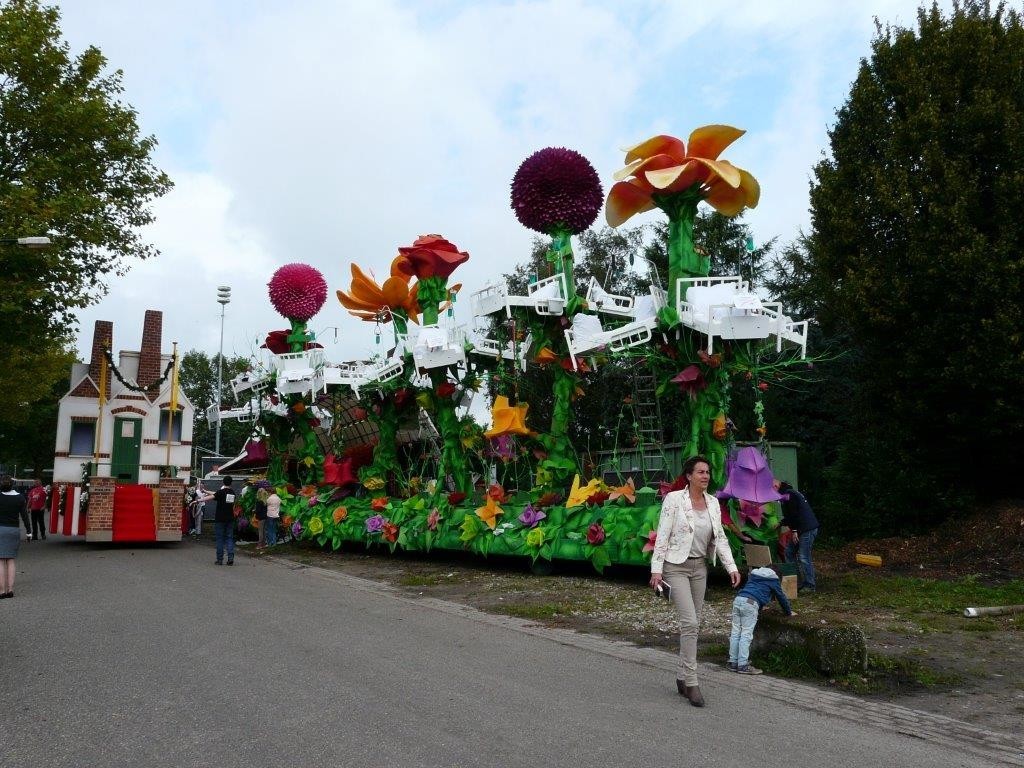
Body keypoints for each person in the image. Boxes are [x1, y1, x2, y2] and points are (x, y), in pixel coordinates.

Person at [649, 455, 741, 707]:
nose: (705, 476)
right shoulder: (674, 499)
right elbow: (663, 535)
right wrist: (656, 571)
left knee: (694, 624)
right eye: (700, 472)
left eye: (707, 472)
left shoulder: (713, 503)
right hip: (675, 567)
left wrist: (731, 567)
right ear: (689, 476)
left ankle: (681, 676)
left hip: (700, 568)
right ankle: (691, 682)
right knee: (689, 622)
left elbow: (720, 537)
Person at [728, 566, 795, 675]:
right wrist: (788, 612)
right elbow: (781, 597)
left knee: (735, 633)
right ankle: (743, 665)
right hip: (750, 603)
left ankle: (733, 662)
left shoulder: (754, 574)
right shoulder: (773, 579)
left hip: (738, 599)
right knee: (746, 634)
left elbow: (754, 590)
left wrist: (759, 605)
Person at [775, 480, 820, 593]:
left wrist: (794, 531)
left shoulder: (789, 494)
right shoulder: (787, 494)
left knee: (804, 556)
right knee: (789, 552)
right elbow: (790, 515)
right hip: (802, 529)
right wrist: (780, 523)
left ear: (776, 486)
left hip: (806, 529)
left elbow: (794, 513)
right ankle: (794, 583)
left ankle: (810, 585)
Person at [0, 476, 26, 598]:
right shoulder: (20, 497)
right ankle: (10, 590)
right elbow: (24, 516)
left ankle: (1, 591)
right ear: (12, 485)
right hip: (13, 530)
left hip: (0, 529)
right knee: (10, 560)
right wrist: (29, 532)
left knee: (0, 561)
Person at [212, 476, 237, 566]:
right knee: (229, 538)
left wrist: (198, 500)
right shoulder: (232, 493)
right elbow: (215, 494)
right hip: (230, 518)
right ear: (231, 483)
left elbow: (212, 496)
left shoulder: (220, 492)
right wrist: (206, 491)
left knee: (220, 539)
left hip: (220, 519)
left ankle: (220, 559)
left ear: (223, 482)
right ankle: (230, 558)